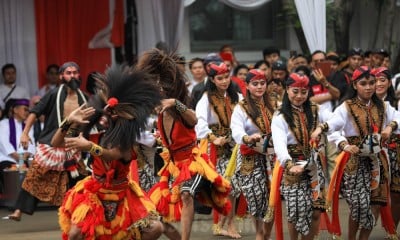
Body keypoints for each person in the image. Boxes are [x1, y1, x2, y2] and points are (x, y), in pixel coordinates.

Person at [53, 66, 164, 240]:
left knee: (156, 228)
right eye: (106, 112)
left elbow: (112, 154)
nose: (107, 116)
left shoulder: (127, 141)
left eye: (113, 114)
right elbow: (56, 143)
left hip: (123, 195)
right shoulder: (94, 132)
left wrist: (88, 147)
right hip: (94, 192)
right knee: (75, 234)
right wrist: (68, 121)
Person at [137, 49, 231, 240]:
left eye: (163, 91)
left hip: (192, 162)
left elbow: (195, 119)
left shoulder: (181, 110)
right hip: (172, 167)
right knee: (155, 211)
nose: (159, 94)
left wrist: (175, 103)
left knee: (187, 194)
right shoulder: (161, 115)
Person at [311, 66, 400, 240]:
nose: (368, 87)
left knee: (376, 203)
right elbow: (334, 126)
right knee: (358, 206)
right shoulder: (347, 107)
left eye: (371, 83)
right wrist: (342, 143)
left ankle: (363, 238)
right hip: (355, 161)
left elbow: (398, 117)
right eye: (364, 83)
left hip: (378, 161)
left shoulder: (383, 105)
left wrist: (390, 127)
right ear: (355, 85)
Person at [2, 62, 88, 221]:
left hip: (72, 146)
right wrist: (25, 133)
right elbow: (35, 112)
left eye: (75, 72)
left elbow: (92, 120)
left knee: (79, 178)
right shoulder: (54, 94)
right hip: (51, 144)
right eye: (69, 73)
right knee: (35, 176)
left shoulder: (85, 98)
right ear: (62, 76)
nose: (73, 76)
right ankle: (19, 210)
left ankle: (79, 212)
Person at [271, 72, 327, 240]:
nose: (299, 96)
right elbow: (279, 146)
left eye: (303, 92)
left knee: (316, 210)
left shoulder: (316, 110)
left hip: (314, 167)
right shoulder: (280, 116)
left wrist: (322, 127)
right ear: (287, 90)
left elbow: (335, 121)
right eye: (295, 91)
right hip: (292, 166)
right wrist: (289, 164)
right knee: (296, 212)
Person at [195, 62, 241, 239]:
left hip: (235, 147)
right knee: (228, 187)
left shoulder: (236, 97)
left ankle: (223, 225)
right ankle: (228, 226)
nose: (224, 81)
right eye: (220, 78)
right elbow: (200, 122)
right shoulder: (206, 98)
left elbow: (246, 117)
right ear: (212, 80)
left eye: (226, 77)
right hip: (216, 150)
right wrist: (214, 138)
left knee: (234, 188)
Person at [230, 69, 275, 240]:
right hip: (250, 157)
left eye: (262, 83)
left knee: (271, 198)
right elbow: (236, 130)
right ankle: (259, 233)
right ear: (247, 86)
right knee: (255, 197)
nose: (259, 87)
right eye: (255, 84)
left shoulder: (273, 105)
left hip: (271, 157)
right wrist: (247, 137)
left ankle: (266, 234)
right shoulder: (241, 108)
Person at [372, 67, 400, 234]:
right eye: (374, 80)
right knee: (373, 196)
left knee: (396, 196)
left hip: (396, 152)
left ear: (389, 83)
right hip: (372, 154)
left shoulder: (396, 103)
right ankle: (363, 233)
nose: (378, 84)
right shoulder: (360, 103)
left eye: (382, 80)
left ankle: (392, 233)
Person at [0, 99, 35, 193]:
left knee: (33, 168)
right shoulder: (3, 124)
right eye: (25, 109)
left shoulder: (28, 126)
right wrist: (20, 160)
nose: (27, 113)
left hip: (24, 159)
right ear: (15, 110)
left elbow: (31, 145)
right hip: (7, 159)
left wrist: (23, 159)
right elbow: (4, 144)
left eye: (28, 110)